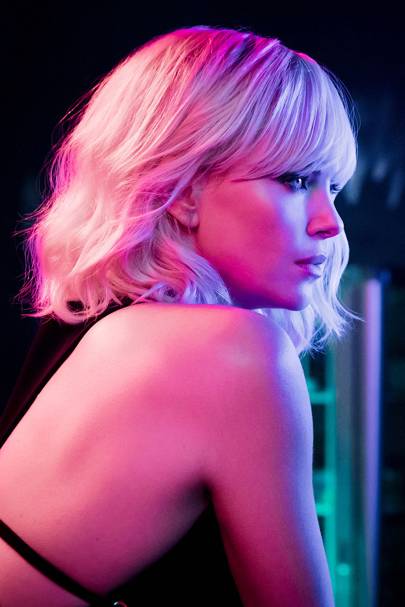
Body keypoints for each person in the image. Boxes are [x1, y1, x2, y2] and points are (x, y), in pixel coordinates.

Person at [0, 24, 360, 606]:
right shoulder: (234, 351)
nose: (331, 223)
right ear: (184, 190)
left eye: (333, 187)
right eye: (295, 180)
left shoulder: (95, 330)